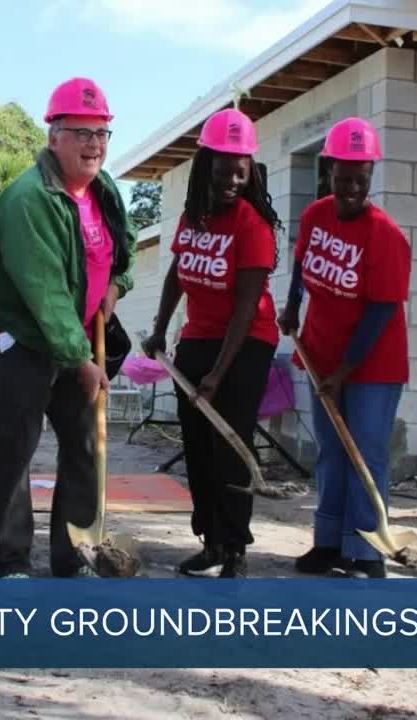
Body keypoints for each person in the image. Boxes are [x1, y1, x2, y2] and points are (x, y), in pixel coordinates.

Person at [0, 77, 136, 578]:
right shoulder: (28, 199)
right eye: (81, 132)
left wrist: (116, 287)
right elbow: (44, 293)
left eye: (102, 133)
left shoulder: (103, 189)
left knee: (85, 446)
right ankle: (10, 561)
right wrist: (81, 360)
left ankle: (74, 556)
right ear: (53, 137)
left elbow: (122, 249)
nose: (94, 144)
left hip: (81, 333)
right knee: (17, 448)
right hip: (29, 339)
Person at [141, 108, 281, 579]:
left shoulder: (253, 225)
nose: (232, 182)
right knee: (197, 445)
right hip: (197, 338)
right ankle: (212, 541)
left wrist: (218, 374)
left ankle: (237, 548)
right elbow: (176, 275)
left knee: (229, 444)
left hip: (245, 345)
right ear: (207, 167)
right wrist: (160, 328)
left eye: (240, 174)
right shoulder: (193, 217)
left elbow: (246, 307)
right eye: (223, 173)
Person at [279, 117, 411, 580]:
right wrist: (293, 305)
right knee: (331, 453)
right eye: (344, 176)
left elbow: (379, 313)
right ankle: (328, 543)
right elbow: (300, 265)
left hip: (373, 363)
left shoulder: (386, 236)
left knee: (365, 454)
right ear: (329, 171)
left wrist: (344, 371)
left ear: (371, 176)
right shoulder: (316, 214)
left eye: (361, 178)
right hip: (321, 353)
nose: (352, 186)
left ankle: (368, 552)